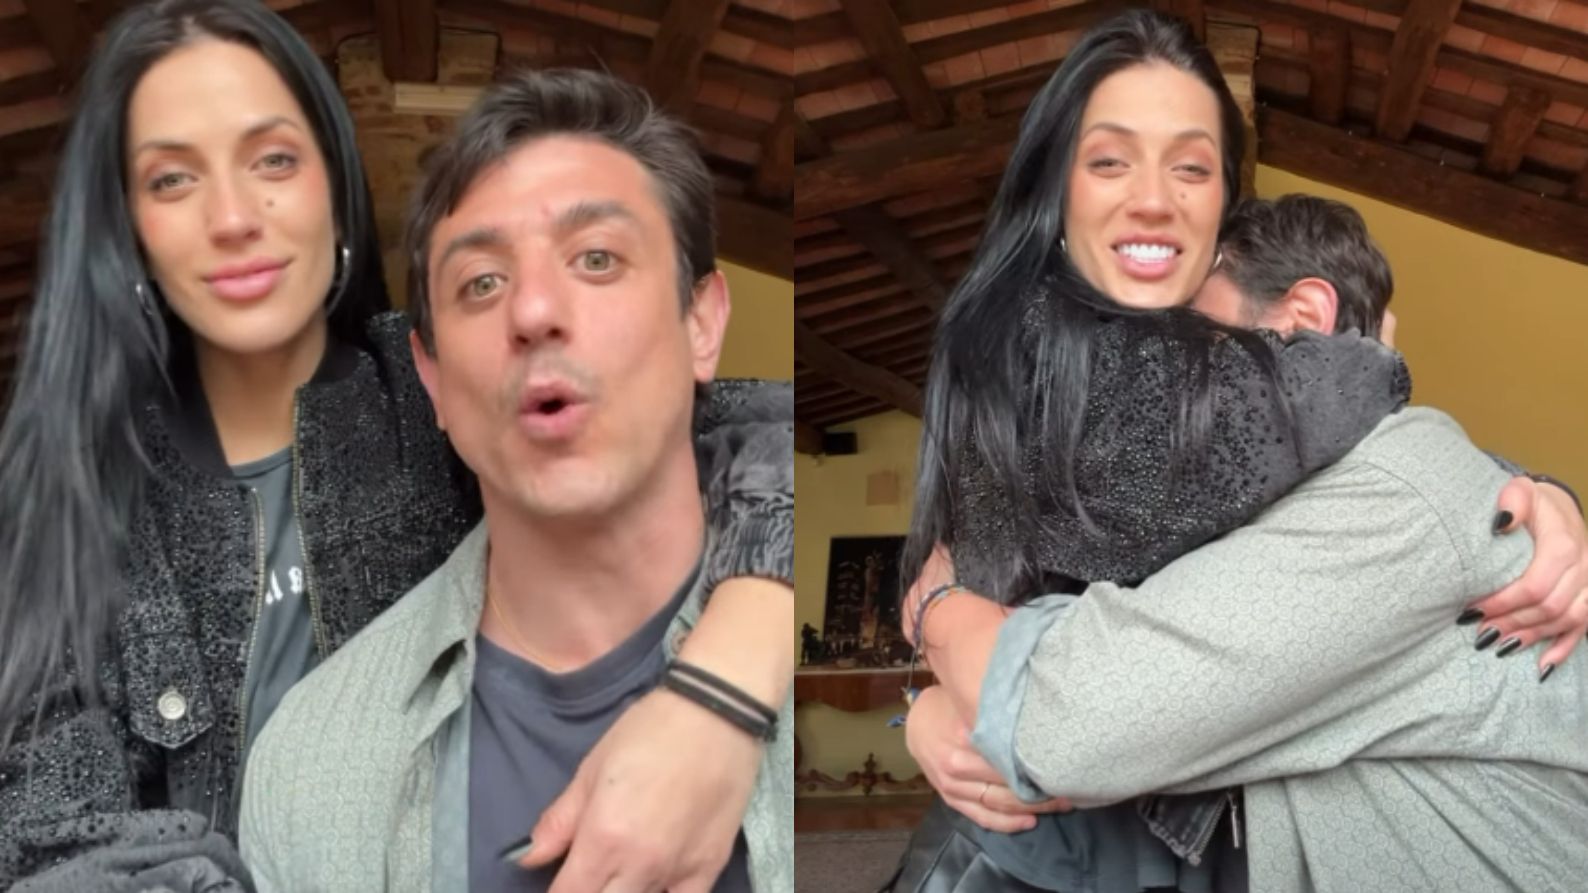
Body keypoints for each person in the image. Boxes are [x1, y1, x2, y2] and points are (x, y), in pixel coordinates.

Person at [0, 2, 793, 890]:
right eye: (172, 179)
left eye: (274, 159)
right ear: (128, 230)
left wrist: (728, 678)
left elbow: (745, 429)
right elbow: (47, 840)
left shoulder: (440, 389)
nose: (232, 216)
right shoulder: (60, 502)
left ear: (334, 187)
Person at [880, 9, 1588, 891]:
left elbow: (1065, 716)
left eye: (1191, 167)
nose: (1153, 199)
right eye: (1108, 160)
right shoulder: (1067, 392)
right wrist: (931, 699)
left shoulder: (1369, 474)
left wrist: (935, 609)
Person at [238, 68, 793, 893]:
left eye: (597, 257)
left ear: (702, 321)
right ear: (430, 376)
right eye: (482, 283)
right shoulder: (307, 765)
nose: (533, 311)